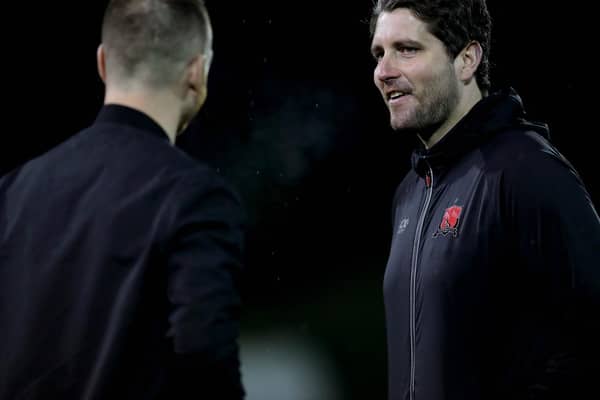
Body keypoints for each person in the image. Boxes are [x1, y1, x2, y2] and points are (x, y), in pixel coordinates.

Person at [0, 1, 245, 399]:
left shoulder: (12, 192)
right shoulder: (195, 197)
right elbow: (204, 361)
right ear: (196, 73)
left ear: (102, 63)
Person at [369, 0, 600, 399]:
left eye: (407, 49)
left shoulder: (528, 171)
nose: (384, 71)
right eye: (379, 53)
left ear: (466, 60)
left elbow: (590, 341)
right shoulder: (409, 193)